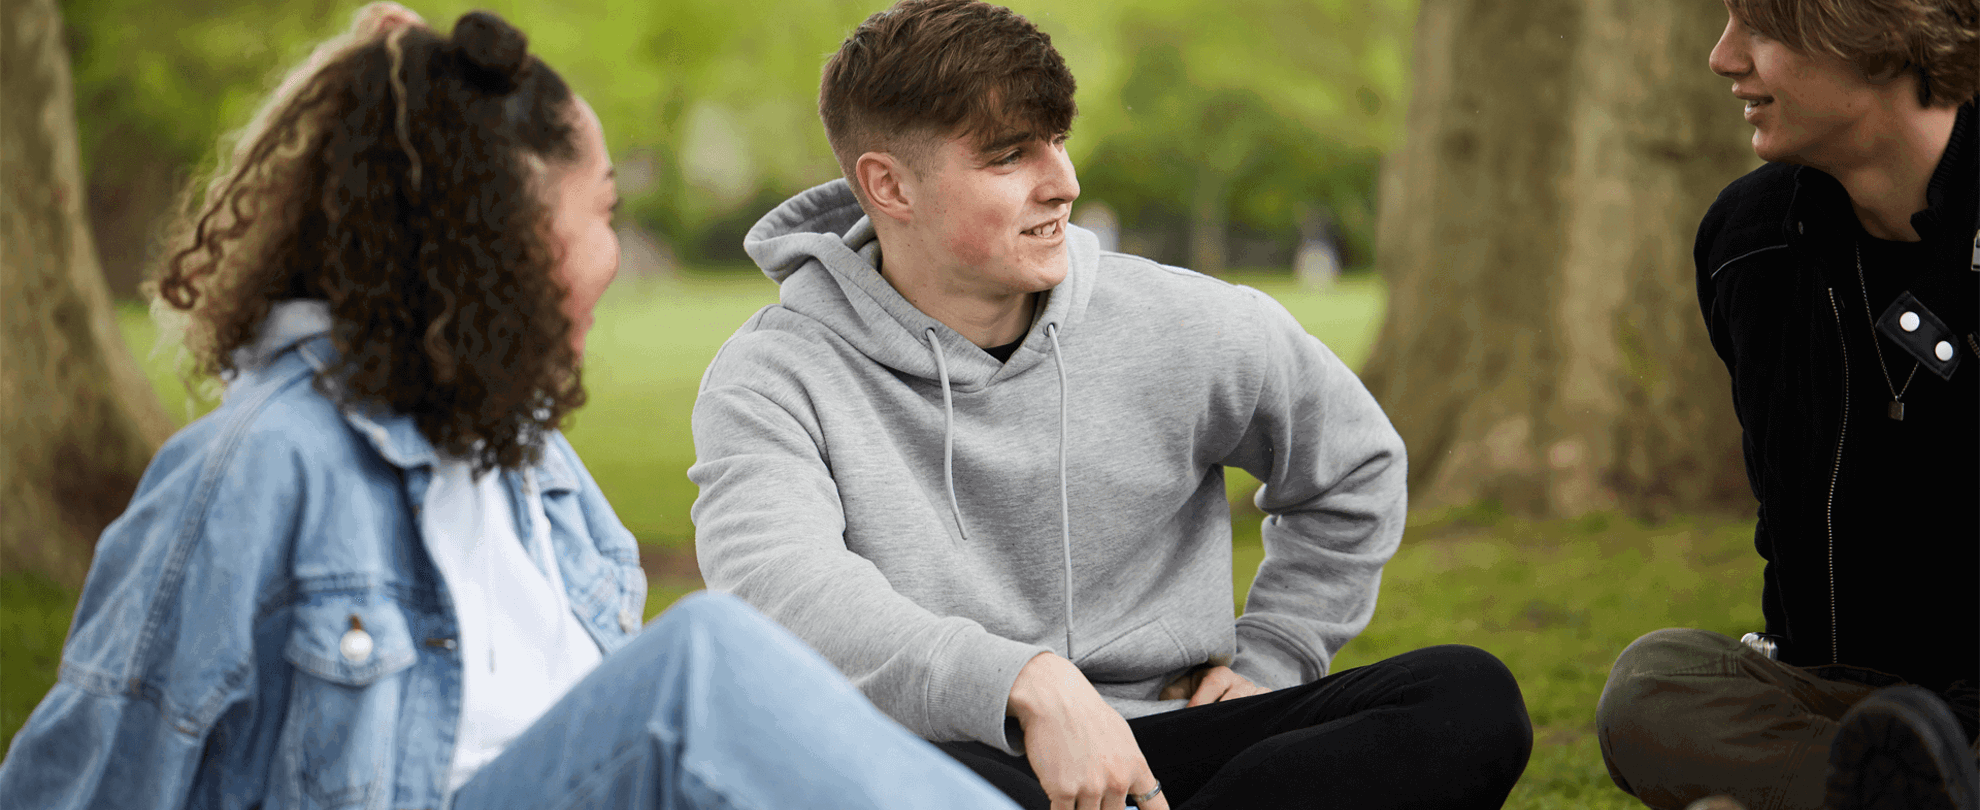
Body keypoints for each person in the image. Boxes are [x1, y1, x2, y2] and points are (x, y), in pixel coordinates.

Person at [0, 6, 1024, 809]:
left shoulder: (528, 467)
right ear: (502, 241)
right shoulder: (261, 467)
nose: (613, 255)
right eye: (603, 212)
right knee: (698, 670)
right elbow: (88, 778)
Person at [687, 2, 1535, 807]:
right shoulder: (775, 373)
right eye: (1009, 156)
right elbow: (780, 587)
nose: (1064, 182)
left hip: (1178, 738)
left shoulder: (1185, 320)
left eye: (1057, 141)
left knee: (1465, 699)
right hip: (954, 755)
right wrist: (1022, 681)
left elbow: (1353, 467)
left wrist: (1277, 655)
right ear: (890, 187)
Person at [1595, 1, 1979, 809]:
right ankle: (1902, 793)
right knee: (1650, 691)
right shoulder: (1748, 242)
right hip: (1841, 696)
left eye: (1758, 30)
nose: (1722, 58)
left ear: (1873, 35)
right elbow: (1787, 523)